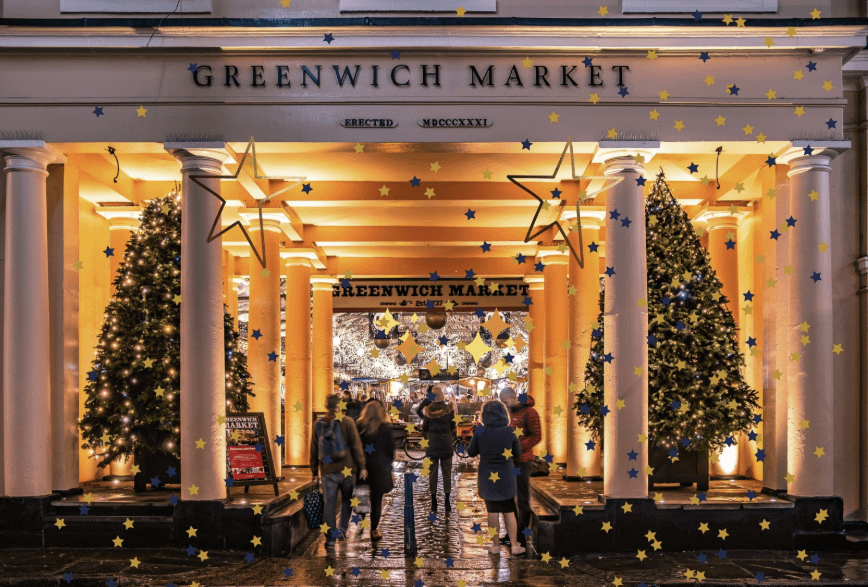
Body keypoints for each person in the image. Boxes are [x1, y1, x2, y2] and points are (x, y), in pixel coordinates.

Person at [467, 400, 525, 556]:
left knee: (492, 511)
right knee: (509, 510)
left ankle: (495, 546)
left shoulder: (480, 431)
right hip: (506, 476)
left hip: (487, 478)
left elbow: (471, 452)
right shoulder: (510, 431)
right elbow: (518, 453)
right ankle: (514, 546)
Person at [310, 394, 367, 548]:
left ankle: (330, 539)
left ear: (326, 406)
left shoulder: (318, 424)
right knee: (347, 500)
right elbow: (356, 445)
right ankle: (342, 530)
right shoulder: (347, 421)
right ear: (340, 405)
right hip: (348, 469)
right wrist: (362, 466)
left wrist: (314, 471)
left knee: (329, 505)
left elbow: (313, 449)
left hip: (327, 470)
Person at [498, 386, 541, 549]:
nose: (505, 405)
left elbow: (536, 436)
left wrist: (518, 447)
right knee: (509, 498)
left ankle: (522, 534)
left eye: (506, 402)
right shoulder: (507, 413)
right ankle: (512, 533)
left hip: (522, 460)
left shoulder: (530, 412)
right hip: (508, 460)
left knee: (522, 498)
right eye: (502, 403)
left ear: (514, 397)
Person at [355, 400, 395, 542]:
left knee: (361, 495)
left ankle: (361, 520)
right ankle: (373, 531)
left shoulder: (359, 427)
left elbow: (354, 446)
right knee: (377, 501)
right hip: (380, 469)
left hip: (363, 468)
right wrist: (388, 464)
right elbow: (391, 449)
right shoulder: (385, 428)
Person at [421, 385, 456, 512]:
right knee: (447, 473)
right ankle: (447, 501)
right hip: (446, 445)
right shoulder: (449, 410)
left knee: (432, 473)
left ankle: (434, 502)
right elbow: (453, 425)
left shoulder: (428, 412)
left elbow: (425, 428)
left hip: (432, 446)